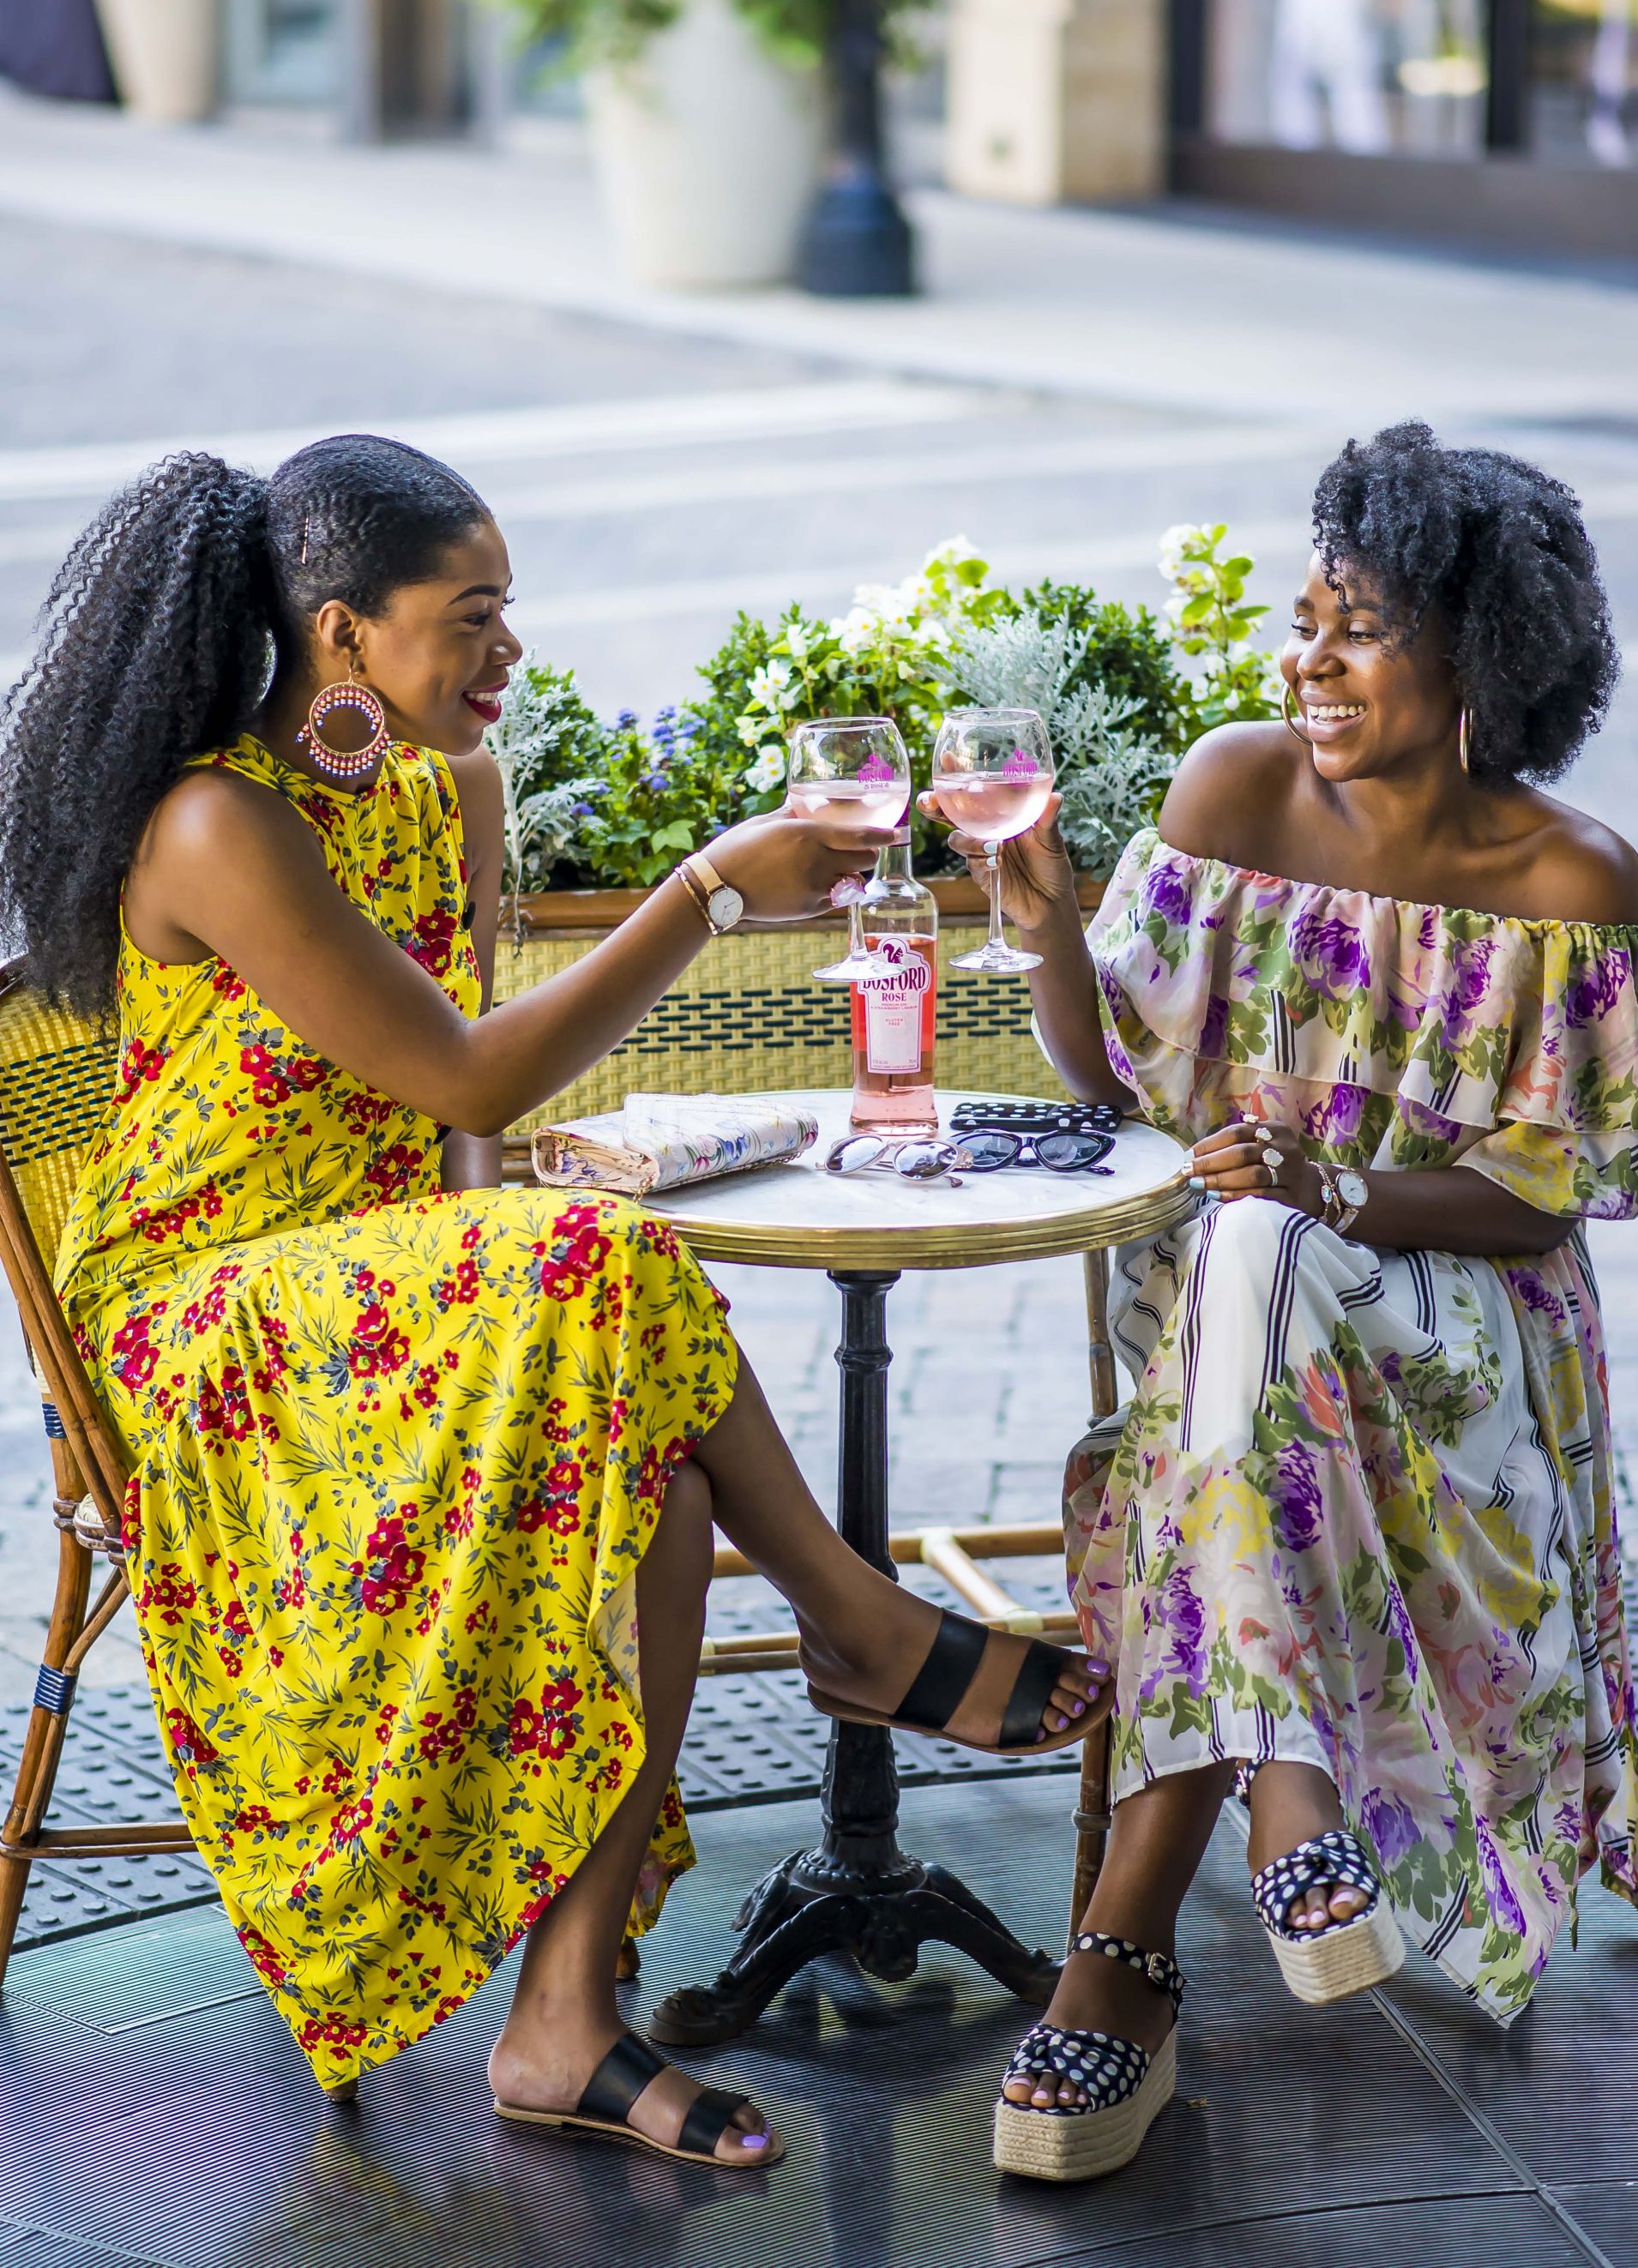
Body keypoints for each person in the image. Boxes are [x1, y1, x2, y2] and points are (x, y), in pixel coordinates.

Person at [0, 435, 1113, 2167]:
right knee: (602, 1258)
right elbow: (459, 1072)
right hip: (210, 1331)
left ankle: (564, 2019)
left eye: (510, 609)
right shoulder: (222, 820)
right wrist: (706, 890)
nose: (506, 648)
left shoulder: (451, 790)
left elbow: (467, 1148)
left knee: (645, 1445)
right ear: (343, 631)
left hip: (389, 1305)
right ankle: (854, 1617)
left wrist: (506, 1263)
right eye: (476, 615)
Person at [929, 423, 1638, 2185]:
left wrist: (1325, 1184)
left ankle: (1122, 1945)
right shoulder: (1231, 792)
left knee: (1263, 1247)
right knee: (1252, 1256)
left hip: (1459, 1343)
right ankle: (1284, 1797)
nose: (1308, 659)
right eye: (1304, 619)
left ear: (1480, 658)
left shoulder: (1576, 884)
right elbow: (1119, 1075)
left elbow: (1538, 1197)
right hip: (1234, 1318)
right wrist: (1048, 930)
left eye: (1358, 627)